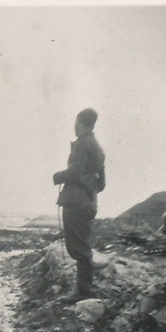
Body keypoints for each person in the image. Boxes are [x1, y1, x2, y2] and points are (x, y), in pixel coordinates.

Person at [53, 108, 106, 302]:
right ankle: (85, 287)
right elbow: (102, 184)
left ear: (84, 125)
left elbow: (74, 173)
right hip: (89, 202)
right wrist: (88, 188)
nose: (75, 127)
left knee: (77, 247)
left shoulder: (82, 144)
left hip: (75, 202)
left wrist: (57, 177)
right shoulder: (99, 149)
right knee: (82, 244)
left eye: (77, 123)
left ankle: (83, 291)